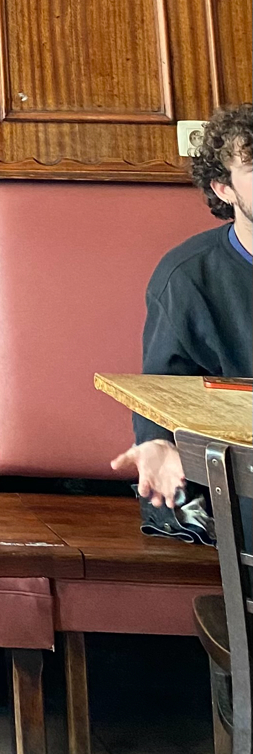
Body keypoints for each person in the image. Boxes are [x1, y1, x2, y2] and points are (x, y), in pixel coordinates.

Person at [110, 104, 253, 509]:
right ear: (224, 189)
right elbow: (165, 389)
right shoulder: (187, 277)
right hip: (240, 475)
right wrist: (155, 442)